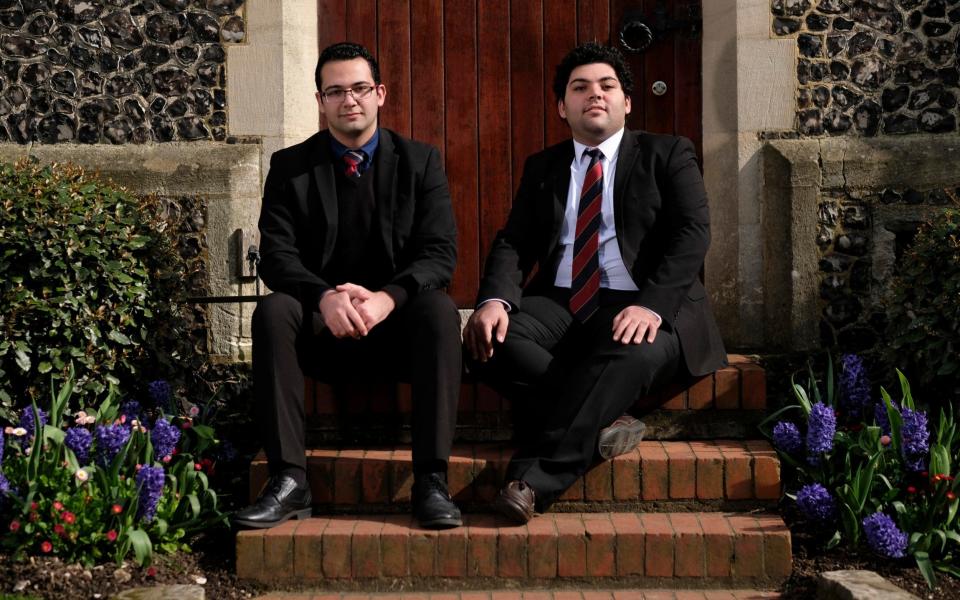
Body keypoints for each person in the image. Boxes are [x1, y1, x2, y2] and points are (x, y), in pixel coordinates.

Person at [463, 42, 727, 524]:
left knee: (630, 353)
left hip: (643, 304)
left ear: (627, 101)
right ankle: (605, 420)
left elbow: (693, 234)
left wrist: (652, 306)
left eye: (607, 86)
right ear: (563, 107)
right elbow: (514, 242)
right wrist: (496, 300)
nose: (595, 95)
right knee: (488, 341)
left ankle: (532, 480)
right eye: (580, 88)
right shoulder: (543, 166)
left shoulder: (667, 153)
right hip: (562, 301)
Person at [235, 42, 462, 530]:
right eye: (335, 91)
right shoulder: (291, 167)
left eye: (359, 88)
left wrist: (387, 298)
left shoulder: (421, 162)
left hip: (398, 331)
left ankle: (431, 479)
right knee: (273, 310)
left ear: (379, 93)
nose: (349, 100)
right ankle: (289, 479)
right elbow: (276, 256)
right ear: (320, 101)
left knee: (440, 311)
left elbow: (439, 254)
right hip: (321, 334)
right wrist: (324, 297)